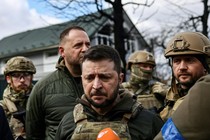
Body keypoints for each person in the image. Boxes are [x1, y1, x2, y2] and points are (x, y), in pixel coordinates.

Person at [55, 45, 163, 140]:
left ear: (120, 79)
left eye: (105, 77)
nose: (96, 86)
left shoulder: (149, 123)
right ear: (82, 79)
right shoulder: (68, 122)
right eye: (89, 78)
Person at [25, 26, 90, 140]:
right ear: (62, 51)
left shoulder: (101, 83)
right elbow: (33, 134)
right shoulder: (43, 88)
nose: (85, 49)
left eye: (88, 44)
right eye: (78, 45)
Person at [160, 31, 210, 122]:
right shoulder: (171, 98)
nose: (182, 67)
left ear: (206, 65)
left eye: (189, 60)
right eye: (177, 61)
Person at [154, 74, 210, 140]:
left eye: (190, 63)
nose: (182, 67)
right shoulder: (169, 97)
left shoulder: (204, 89)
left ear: (205, 68)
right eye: (177, 62)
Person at [0, 56, 36, 140]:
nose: (22, 80)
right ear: (8, 78)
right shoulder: (2, 107)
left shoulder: (41, 101)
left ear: (32, 77)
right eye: (16, 75)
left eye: (26, 74)